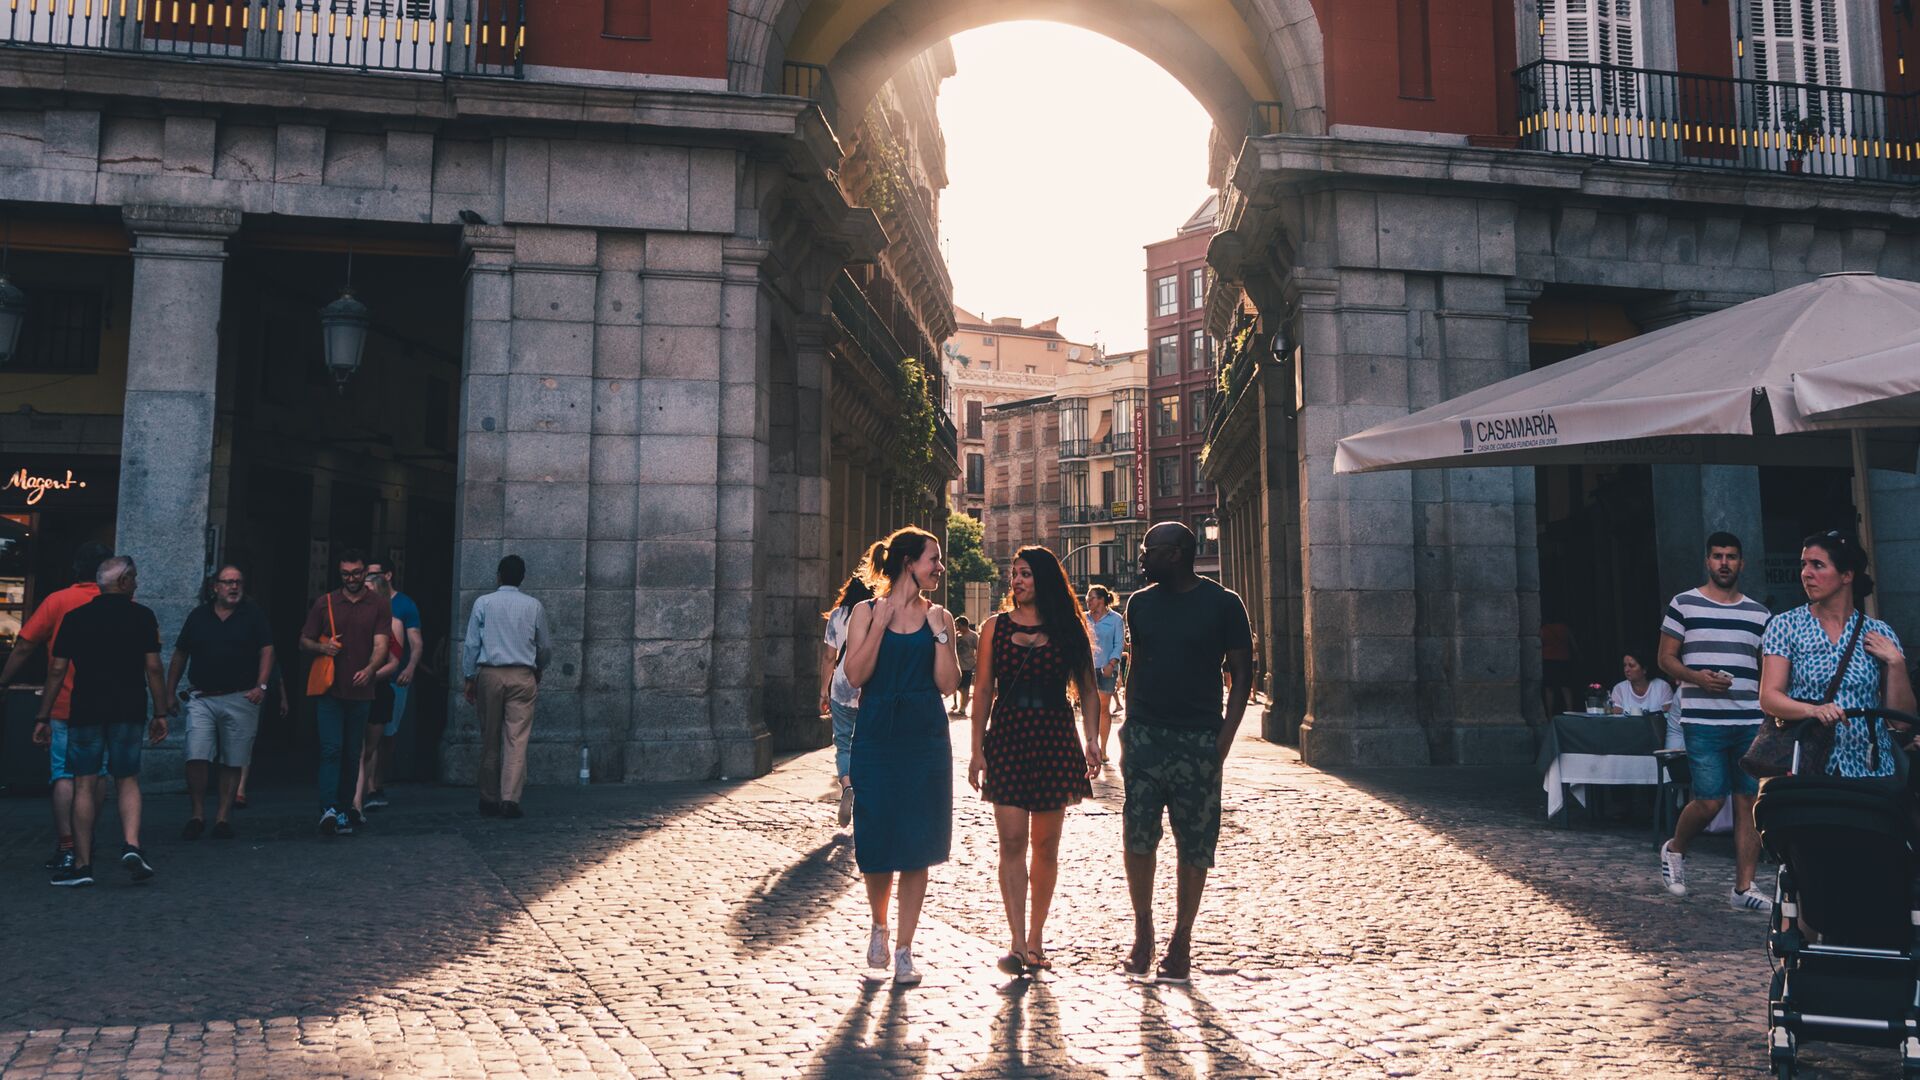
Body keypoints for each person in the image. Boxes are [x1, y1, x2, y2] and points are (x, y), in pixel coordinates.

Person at [1121, 522, 1253, 984]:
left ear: (1175, 554)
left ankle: (1181, 940)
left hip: (1198, 739)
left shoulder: (1224, 605)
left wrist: (1222, 743)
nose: (1141, 558)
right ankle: (1143, 931)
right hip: (1145, 737)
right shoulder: (1139, 605)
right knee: (1138, 837)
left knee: (1195, 844)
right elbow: (1135, 664)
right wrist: (1129, 727)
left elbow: (1242, 675)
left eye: (1148, 550)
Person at [968, 546, 1103, 975]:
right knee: (1011, 843)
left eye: (1025, 574)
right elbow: (983, 690)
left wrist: (1093, 742)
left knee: (1046, 847)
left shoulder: (1068, 629)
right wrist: (975, 749)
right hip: (1007, 738)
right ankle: (1016, 940)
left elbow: (1087, 688)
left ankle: (1037, 936)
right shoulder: (994, 628)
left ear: (1043, 579)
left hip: (1053, 738)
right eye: (1014, 574)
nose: (1017, 581)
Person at [840, 526, 960, 987]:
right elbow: (854, 674)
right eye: (934, 559)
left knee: (918, 843)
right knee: (877, 839)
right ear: (910, 562)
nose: (940, 567)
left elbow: (949, 685)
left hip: (925, 737)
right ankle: (879, 926)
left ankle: (906, 950)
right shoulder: (866, 611)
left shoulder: (941, 617)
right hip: (876, 734)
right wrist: (880, 624)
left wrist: (941, 638)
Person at [1656, 531, 1773, 912]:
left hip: (1749, 720)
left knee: (1748, 802)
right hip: (1702, 720)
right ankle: (1675, 849)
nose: (1725, 563)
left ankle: (1743, 887)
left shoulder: (1759, 614)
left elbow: (1766, 669)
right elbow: (1665, 659)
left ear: (1742, 563)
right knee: (1708, 801)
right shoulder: (1684, 604)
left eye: (1732, 557)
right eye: (1718, 556)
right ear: (1707, 561)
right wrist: (1698, 677)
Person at [36, 556, 167, 886]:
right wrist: (161, 711)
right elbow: (153, 668)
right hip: (128, 708)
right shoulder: (142, 616)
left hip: (86, 710)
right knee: (127, 778)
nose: (137, 583)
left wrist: (44, 715)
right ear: (123, 582)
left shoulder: (76, 617)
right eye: (134, 578)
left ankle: (82, 865)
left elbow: (56, 669)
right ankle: (132, 844)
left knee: (84, 781)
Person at [1759, 531, 1915, 780]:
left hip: (1869, 767)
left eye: (1818, 565)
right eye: (1804, 564)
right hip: (1808, 767)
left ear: (1846, 575)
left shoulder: (1878, 632)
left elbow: (1901, 722)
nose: (1806, 573)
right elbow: (1769, 697)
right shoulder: (1785, 625)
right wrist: (1812, 710)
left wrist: (1895, 663)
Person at [0, 542, 111, 877]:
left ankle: (67, 844)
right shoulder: (118, 602)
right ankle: (87, 838)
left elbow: (25, 646)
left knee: (63, 774)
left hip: (64, 702)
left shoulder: (58, 600)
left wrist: (3, 680)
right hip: (106, 703)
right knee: (98, 773)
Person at [164, 564, 273, 841]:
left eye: (238, 582)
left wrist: (261, 685)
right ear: (215, 587)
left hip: (241, 696)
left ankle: (223, 817)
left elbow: (267, 649)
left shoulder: (253, 615)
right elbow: (180, 654)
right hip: (203, 697)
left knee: (233, 759)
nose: (234, 587)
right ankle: (197, 814)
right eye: (228, 582)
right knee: (196, 754)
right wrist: (169, 692)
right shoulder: (199, 616)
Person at [299, 548, 391, 837]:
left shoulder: (378, 604)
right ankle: (328, 808)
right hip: (330, 689)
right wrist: (322, 648)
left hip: (361, 691)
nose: (351, 578)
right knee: (331, 749)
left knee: (353, 753)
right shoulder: (325, 603)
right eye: (346, 574)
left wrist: (371, 669)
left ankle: (342, 809)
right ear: (339, 574)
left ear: (365, 573)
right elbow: (304, 641)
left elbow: (381, 645)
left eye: (356, 573)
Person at [461, 554, 551, 819]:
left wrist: (469, 676)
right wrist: (538, 667)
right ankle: (510, 799)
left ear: (498, 575)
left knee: (490, 738)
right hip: (523, 674)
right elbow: (544, 645)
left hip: (490, 674)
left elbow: (471, 644)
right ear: (522, 578)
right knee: (517, 739)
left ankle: (488, 797)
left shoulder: (484, 603)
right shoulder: (533, 606)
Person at [360, 556, 423, 811]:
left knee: (388, 734)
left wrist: (409, 667)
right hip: (366, 680)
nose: (367, 581)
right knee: (368, 735)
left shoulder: (403, 606)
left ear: (387, 576)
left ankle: (377, 779)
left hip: (393, 678)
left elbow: (415, 642)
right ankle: (369, 788)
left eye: (373, 575)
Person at [820, 572, 873, 829]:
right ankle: (866, 793)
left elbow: (830, 657)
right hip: (868, 684)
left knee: (843, 743)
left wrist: (823, 689)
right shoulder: (873, 613)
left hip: (841, 685)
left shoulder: (837, 616)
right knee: (867, 742)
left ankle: (847, 785)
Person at [1086, 584, 1124, 757]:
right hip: (1087, 669)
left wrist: (1112, 664)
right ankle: (1090, 745)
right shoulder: (1084, 619)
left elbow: (1119, 644)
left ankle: (1103, 748)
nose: (1088, 601)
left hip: (1107, 669)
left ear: (1101, 600)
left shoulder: (1115, 619)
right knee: (1089, 708)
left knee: (1103, 707)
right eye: (1087, 597)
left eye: (1091, 597)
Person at [1608, 649, 1676, 745]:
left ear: (1644, 669)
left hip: (1658, 740)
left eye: (1631, 666)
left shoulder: (1662, 687)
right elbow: (1616, 721)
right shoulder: (1619, 688)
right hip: (1627, 741)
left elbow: (1669, 720)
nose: (1626, 670)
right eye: (1625, 665)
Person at [1540, 616, 1579, 715]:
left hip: (1548, 659)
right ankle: (1570, 711)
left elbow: (1540, 643)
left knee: (1549, 689)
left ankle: (1549, 714)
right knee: (1566, 687)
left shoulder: (1544, 629)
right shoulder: (1565, 628)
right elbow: (1573, 643)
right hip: (1564, 659)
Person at [952, 616, 979, 717]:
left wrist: (977, 663)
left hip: (968, 666)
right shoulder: (956, 635)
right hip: (957, 665)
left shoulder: (973, 636)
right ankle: (959, 703)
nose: (956, 627)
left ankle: (963, 707)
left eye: (958, 625)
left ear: (963, 625)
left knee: (966, 687)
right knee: (957, 687)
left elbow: (979, 649)